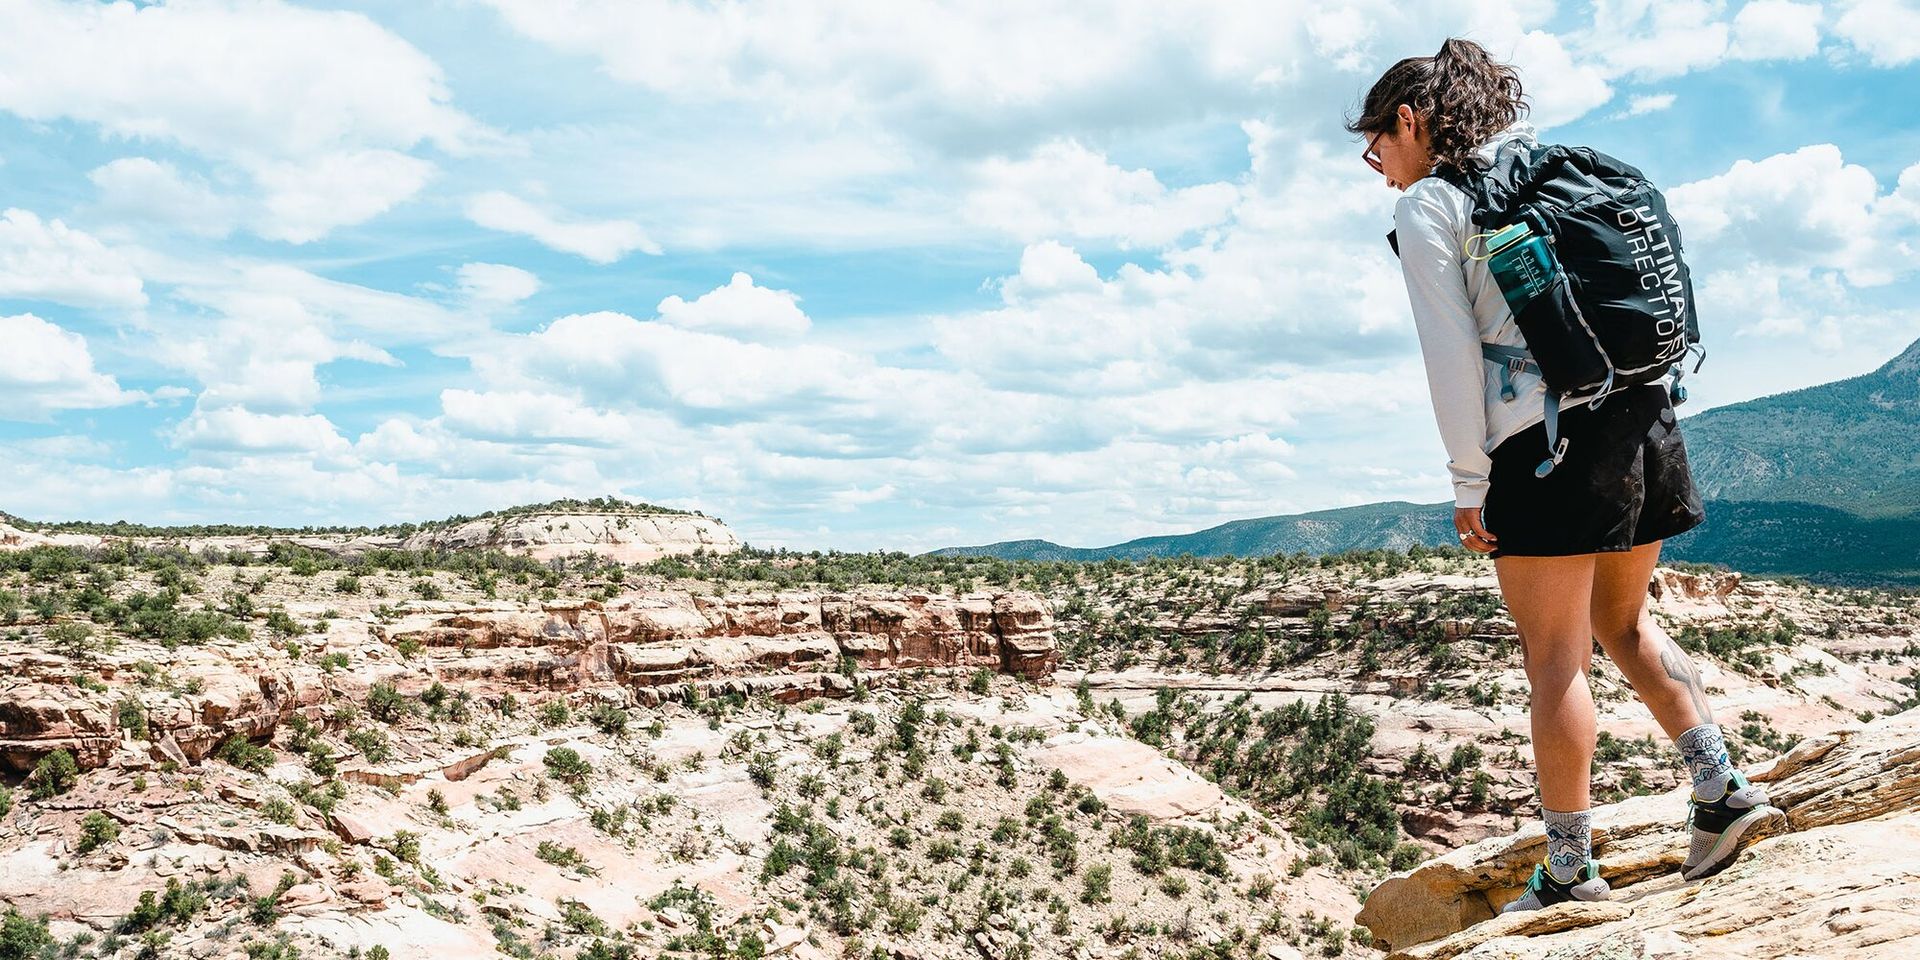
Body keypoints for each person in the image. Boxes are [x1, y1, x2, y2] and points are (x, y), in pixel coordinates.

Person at [1347, 38, 1787, 912]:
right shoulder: (1546, 170)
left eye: (1376, 145)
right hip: (1644, 417)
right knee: (1623, 624)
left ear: (1411, 120)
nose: (1377, 167)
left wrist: (1468, 480)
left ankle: (1569, 871)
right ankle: (1721, 793)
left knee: (1555, 660)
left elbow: (1450, 358)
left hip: (1543, 446)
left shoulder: (1436, 203)